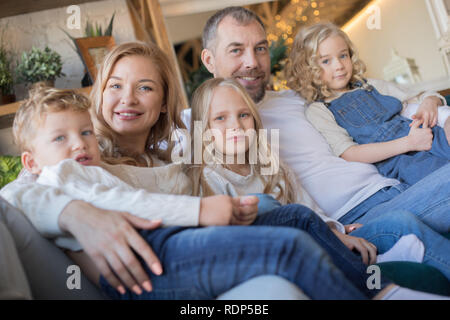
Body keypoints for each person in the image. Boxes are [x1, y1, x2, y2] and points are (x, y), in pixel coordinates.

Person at [6, 84, 444, 300]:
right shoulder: (61, 178)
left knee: (296, 217)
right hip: (155, 262)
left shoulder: (101, 168)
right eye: (60, 139)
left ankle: (382, 284)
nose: (79, 145)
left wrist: (332, 227)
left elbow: (153, 181)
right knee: (284, 231)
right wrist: (202, 210)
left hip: (186, 238)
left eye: (84, 133)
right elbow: (24, 194)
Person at [184, 6, 450, 260]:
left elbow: (393, 106)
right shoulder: (198, 124)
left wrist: (439, 109)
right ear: (209, 59)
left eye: (260, 48)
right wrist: (332, 230)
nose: (252, 62)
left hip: (399, 184)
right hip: (355, 216)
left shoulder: (303, 98)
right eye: (236, 50)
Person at [184, 76, 450, 279]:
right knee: (397, 222)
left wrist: (336, 229)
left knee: (401, 219)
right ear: (201, 128)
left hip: (349, 220)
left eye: (243, 115)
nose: (235, 125)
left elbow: (307, 208)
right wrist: (334, 233)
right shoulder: (209, 179)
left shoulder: (273, 166)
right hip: (313, 244)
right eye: (220, 118)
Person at [286, 22, 449, 186]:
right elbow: (350, 154)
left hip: (426, 135)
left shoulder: (369, 85)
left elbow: (419, 97)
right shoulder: (319, 110)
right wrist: (409, 143)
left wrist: (430, 101)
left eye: (343, 55)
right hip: (401, 159)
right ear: (308, 69)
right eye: (326, 61)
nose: (339, 66)